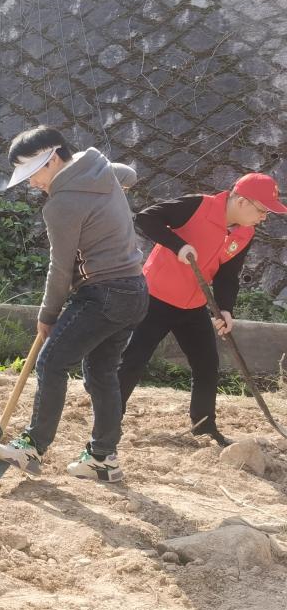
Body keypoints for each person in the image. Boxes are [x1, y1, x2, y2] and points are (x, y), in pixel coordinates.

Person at [0, 126, 148, 482]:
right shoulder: (101, 169)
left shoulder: (61, 206)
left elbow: (60, 268)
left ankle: (32, 446)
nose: (32, 183)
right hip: (136, 291)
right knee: (102, 373)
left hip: (103, 293)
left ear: (54, 159)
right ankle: (103, 459)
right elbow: (129, 174)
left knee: (51, 362)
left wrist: (48, 315)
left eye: (34, 173)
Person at [117, 173, 286, 447]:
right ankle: (110, 420)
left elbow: (227, 275)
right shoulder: (198, 205)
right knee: (133, 360)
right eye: (262, 210)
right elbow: (146, 218)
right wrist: (179, 245)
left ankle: (204, 427)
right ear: (242, 202)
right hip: (156, 297)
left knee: (207, 365)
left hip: (194, 305)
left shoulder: (245, 233)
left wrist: (226, 310)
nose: (264, 217)